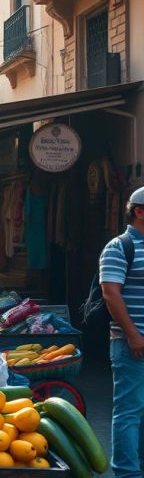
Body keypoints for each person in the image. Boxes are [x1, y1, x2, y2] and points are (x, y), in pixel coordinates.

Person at [101, 187, 144, 478]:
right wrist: (133, 335)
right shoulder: (119, 246)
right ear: (139, 211)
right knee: (129, 412)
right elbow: (110, 294)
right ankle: (128, 473)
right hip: (131, 344)